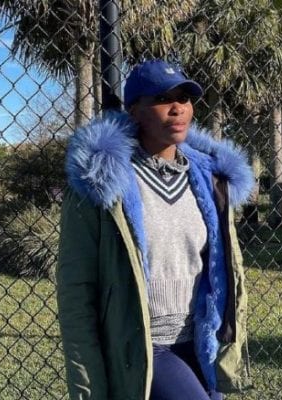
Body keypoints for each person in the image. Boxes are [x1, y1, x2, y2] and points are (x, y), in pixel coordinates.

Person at [57, 59, 254, 400]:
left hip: (202, 340)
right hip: (145, 344)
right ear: (134, 111)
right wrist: (87, 380)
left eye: (184, 98)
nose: (178, 108)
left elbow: (227, 271)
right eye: (162, 99)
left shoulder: (211, 183)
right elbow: (76, 288)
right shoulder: (102, 185)